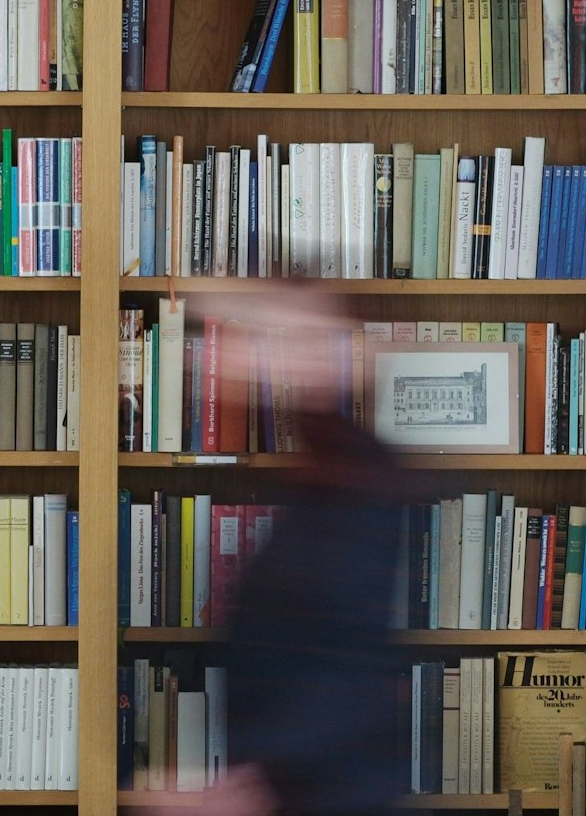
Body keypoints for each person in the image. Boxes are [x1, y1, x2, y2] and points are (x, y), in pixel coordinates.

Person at [192, 288, 411, 816]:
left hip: (331, 787)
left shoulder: (361, 478)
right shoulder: (322, 468)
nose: (262, 355)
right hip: (302, 781)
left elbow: (346, 662)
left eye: (296, 338)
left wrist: (259, 781)